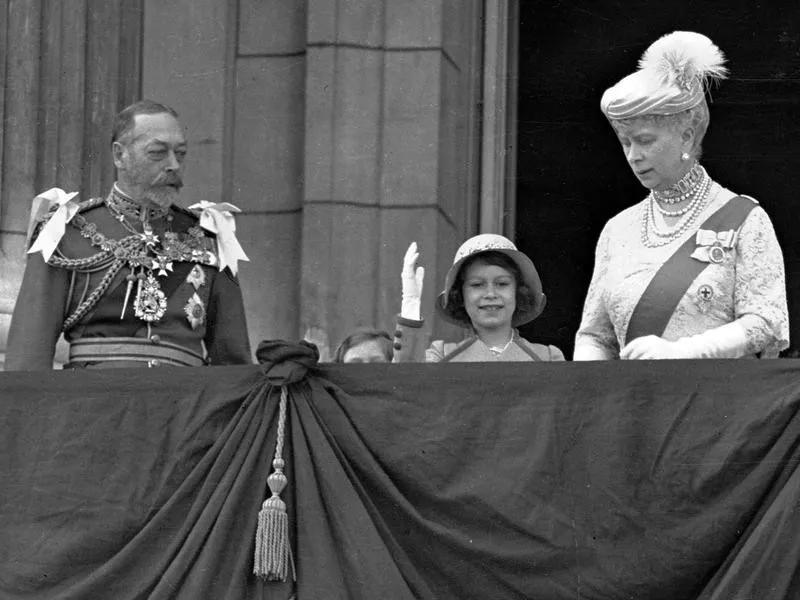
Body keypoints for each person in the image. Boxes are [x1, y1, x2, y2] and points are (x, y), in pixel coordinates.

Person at [574, 31, 789, 360]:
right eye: (625, 143)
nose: (633, 156)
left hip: (715, 392)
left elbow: (766, 321)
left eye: (645, 140)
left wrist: (685, 351)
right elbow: (595, 336)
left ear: (687, 136)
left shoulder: (745, 219)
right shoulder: (616, 230)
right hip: (632, 394)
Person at [5, 100, 252, 370]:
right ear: (119, 155)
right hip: (93, 395)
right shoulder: (66, 232)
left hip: (187, 396)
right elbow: (28, 357)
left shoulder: (210, 236)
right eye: (157, 153)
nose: (173, 165)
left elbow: (233, 363)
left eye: (180, 153)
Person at [393, 234, 565, 362]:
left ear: (518, 292)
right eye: (477, 285)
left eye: (502, 284)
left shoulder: (547, 357)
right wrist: (410, 306)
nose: (490, 294)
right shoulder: (442, 355)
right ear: (460, 295)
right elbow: (408, 383)